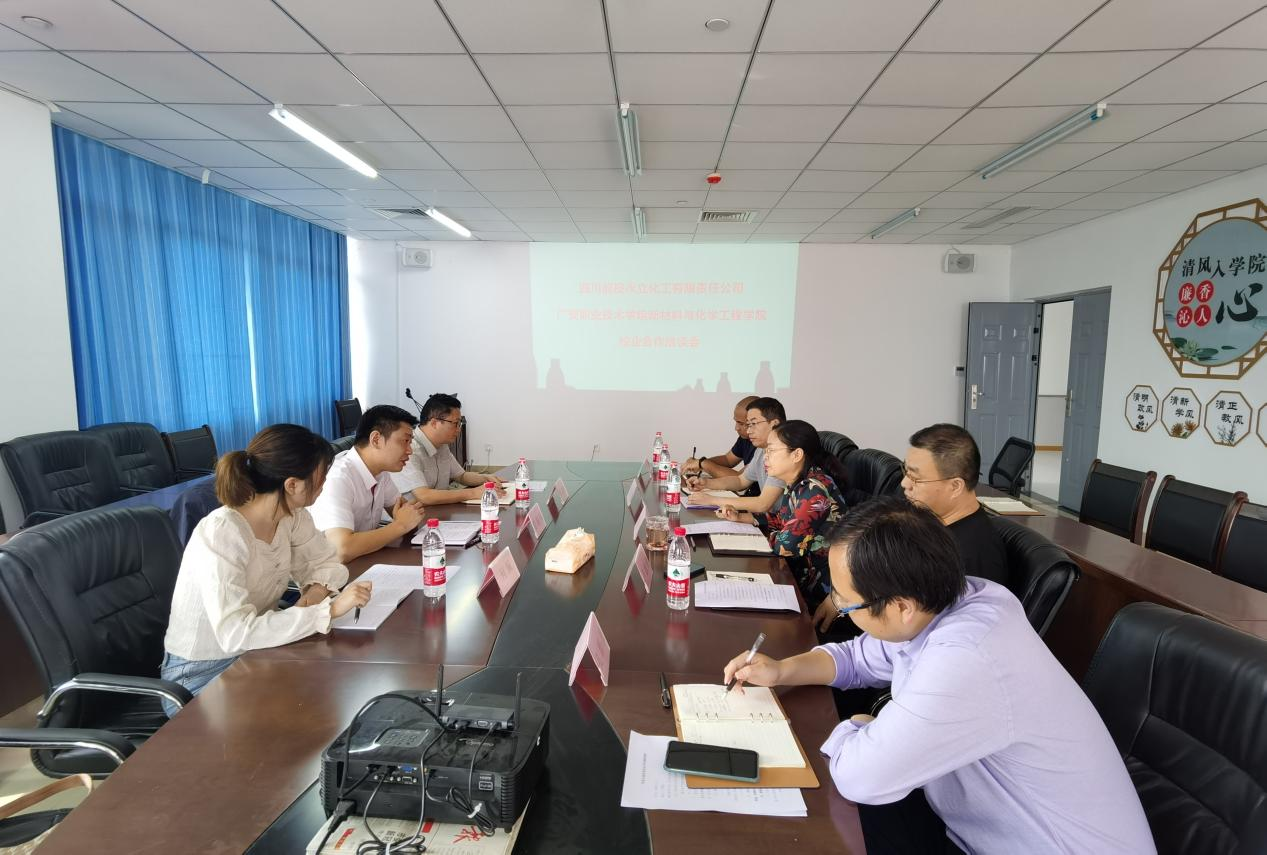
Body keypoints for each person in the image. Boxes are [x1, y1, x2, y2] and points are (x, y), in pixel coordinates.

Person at [723, 497, 1156, 855]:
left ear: (901, 607)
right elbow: (858, 657)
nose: (839, 605)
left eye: (845, 601)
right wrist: (783, 670)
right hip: (971, 825)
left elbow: (861, 777)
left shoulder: (968, 655)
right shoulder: (950, 597)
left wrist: (857, 727)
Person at [162, 424, 372, 713]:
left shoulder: (292, 515)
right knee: (306, 711)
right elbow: (235, 634)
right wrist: (328, 610)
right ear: (292, 485)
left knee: (330, 693)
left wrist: (311, 599)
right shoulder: (222, 532)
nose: (325, 484)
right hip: (200, 675)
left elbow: (329, 565)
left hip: (257, 649)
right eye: (321, 477)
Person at [716, 419, 846, 608]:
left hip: (822, 591)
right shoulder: (799, 483)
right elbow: (782, 519)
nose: (765, 457)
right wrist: (741, 517)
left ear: (796, 455)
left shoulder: (814, 491)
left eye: (771, 450)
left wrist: (772, 535)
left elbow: (786, 545)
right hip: (798, 576)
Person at [308, 405, 426, 563]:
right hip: (326, 571)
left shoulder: (380, 472)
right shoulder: (338, 478)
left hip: (363, 563)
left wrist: (407, 519)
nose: (410, 450)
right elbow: (342, 549)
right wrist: (400, 526)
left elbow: (406, 512)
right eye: (405, 441)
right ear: (376, 439)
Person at [901, 423, 1009, 586]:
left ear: (955, 486)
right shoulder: (932, 521)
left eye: (915, 478)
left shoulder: (972, 556)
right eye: (905, 472)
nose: (904, 483)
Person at [392, 393, 505, 505]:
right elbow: (424, 496)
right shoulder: (409, 449)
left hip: (437, 511)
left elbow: (461, 476)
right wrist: (474, 493)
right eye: (455, 423)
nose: (458, 429)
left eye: (459, 424)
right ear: (434, 423)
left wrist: (486, 478)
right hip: (412, 514)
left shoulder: (442, 445)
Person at [684, 397, 786, 514]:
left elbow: (762, 504)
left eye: (753, 424)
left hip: (781, 523)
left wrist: (712, 500)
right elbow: (740, 480)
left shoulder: (784, 454)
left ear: (774, 424)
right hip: (770, 519)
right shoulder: (761, 450)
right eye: (748, 424)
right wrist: (706, 483)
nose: (748, 431)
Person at [683, 395, 758, 478]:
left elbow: (740, 479)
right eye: (736, 422)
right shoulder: (745, 438)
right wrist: (699, 463)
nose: (736, 428)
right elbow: (728, 460)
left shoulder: (763, 447)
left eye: (741, 423)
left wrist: (702, 463)